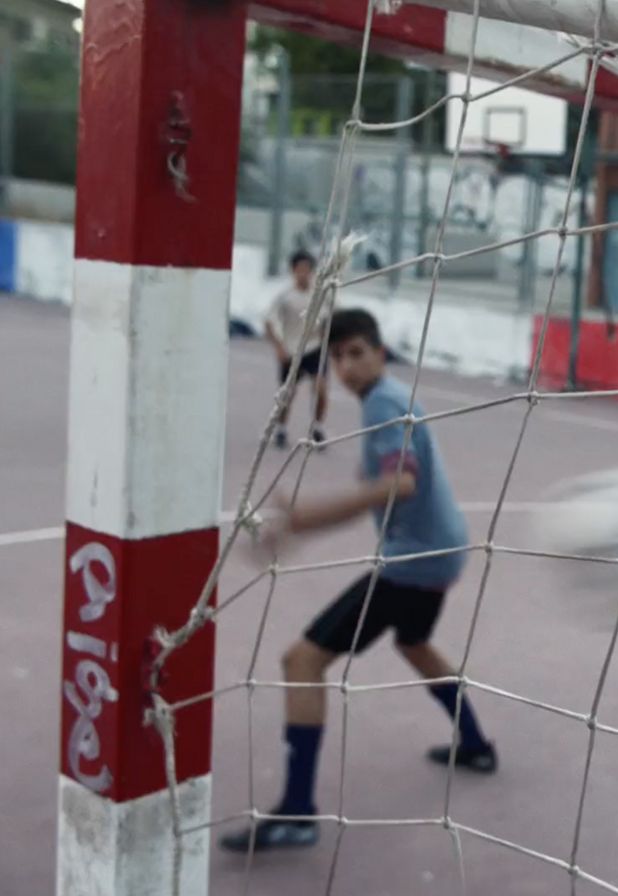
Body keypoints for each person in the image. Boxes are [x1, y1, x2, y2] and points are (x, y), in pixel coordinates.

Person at [221, 308, 496, 854]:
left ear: (378, 352)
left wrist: (304, 519)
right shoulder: (387, 400)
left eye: (355, 353)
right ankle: (476, 745)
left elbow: (402, 483)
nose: (345, 366)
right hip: (441, 554)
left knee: (301, 661)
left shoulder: (387, 402)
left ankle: (298, 812)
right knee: (414, 643)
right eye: (337, 357)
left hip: (415, 562)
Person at [265, 250, 331, 449]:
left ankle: (317, 427)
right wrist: (279, 348)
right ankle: (282, 428)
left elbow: (332, 319)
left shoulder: (321, 296)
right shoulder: (285, 297)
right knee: (288, 393)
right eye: (299, 269)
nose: (303, 273)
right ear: (293, 271)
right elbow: (268, 322)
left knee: (320, 388)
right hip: (292, 350)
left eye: (307, 269)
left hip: (315, 349)